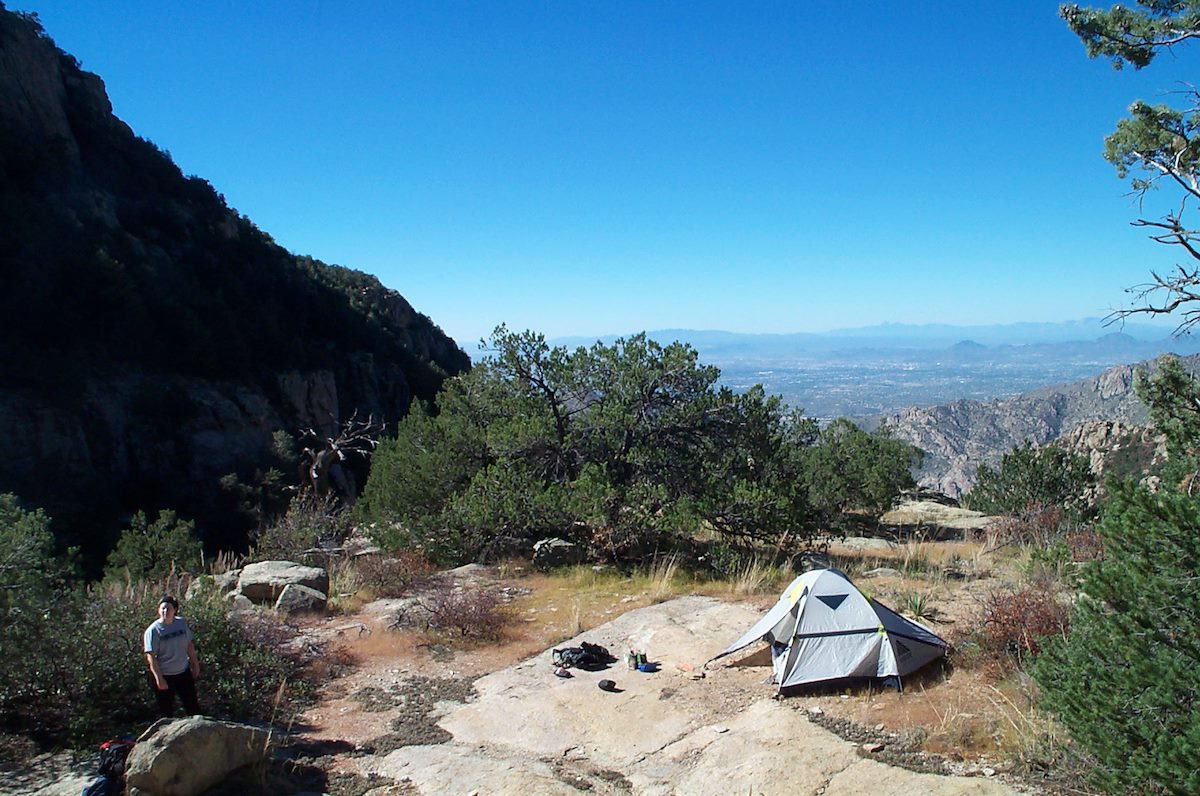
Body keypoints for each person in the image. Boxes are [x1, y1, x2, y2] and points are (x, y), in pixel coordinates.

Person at [143, 595, 201, 717]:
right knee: (166, 712)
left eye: (168, 608)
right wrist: (159, 678)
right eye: (162, 608)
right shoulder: (153, 631)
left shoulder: (181, 623)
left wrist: (195, 664)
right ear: (158, 610)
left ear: (174, 610)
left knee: (193, 708)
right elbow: (151, 657)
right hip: (166, 675)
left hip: (183, 673)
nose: (165, 611)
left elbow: (189, 645)